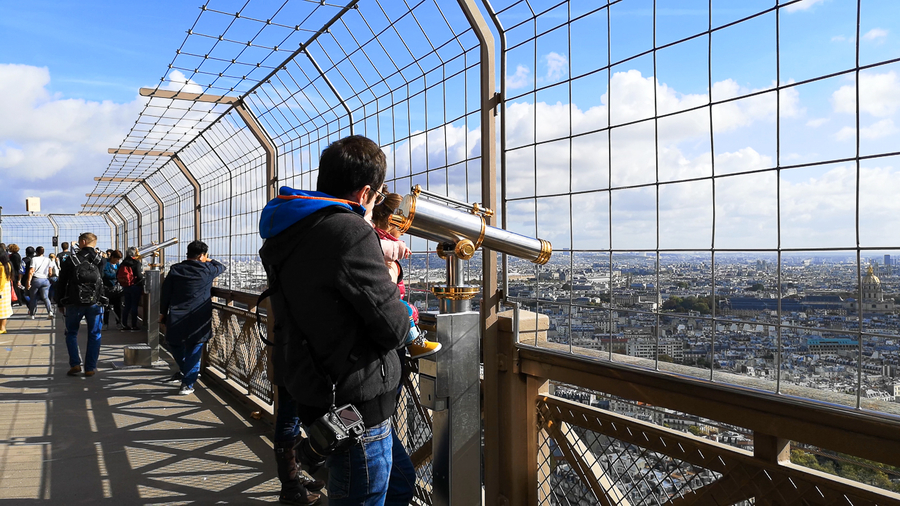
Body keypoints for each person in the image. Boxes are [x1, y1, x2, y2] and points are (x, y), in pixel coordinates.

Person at [259, 135, 415, 506]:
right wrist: (394, 284)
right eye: (376, 197)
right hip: (355, 400)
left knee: (398, 482)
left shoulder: (290, 228)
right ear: (365, 194)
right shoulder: (348, 230)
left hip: (319, 385)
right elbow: (393, 326)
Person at [370, 190, 441, 359]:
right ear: (392, 220)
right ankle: (415, 342)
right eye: (403, 224)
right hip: (390, 326)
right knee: (404, 309)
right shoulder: (386, 250)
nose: (405, 230)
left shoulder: (372, 240)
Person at [159, 240, 226, 396]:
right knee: (194, 348)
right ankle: (188, 383)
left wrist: (163, 313)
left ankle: (185, 371)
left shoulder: (175, 270)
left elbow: (166, 293)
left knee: (174, 344)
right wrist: (208, 259)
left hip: (177, 314)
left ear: (187, 253)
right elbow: (222, 266)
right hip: (199, 316)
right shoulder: (208, 269)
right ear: (202, 255)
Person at [55, 233, 106, 377]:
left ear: (83, 242)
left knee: (71, 333)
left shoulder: (71, 260)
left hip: (73, 302)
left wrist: (60, 301)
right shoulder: (100, 260)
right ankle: (90, 367)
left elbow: (62, 282)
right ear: (93, 243)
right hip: (95, 303)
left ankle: (75, 364)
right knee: (94, 334)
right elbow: (102, 282)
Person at [26, 246, 55, 319]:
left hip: (36, 279)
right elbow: (50, 272)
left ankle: (32, 314)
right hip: (45, 280)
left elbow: (31, 271)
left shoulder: (34, 259)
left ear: (36, 252)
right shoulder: (48, 259)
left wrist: (29, 281)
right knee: (45, 297)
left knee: (33, 298)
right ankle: (50, 312)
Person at [119, 247, 145, 331]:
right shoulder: (136, 263)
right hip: (135, 286)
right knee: (134, 306)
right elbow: (139, 275)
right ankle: (134, 325)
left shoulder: (123, 262)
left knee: (127, 306)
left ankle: (124, 324)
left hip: (126, 286)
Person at [100, 250, 124, 329]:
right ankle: (105, 323)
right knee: (106, 307)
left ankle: (118, 322)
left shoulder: (117, 265)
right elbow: (104, 274)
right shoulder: (106, 264)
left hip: (117, 289)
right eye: (116, 259)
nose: (117, 261)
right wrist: (116, 275)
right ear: (112, 257)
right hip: (107, 288)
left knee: (118, 306)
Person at [0, 249, 13, 334]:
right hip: (6, 289)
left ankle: (2, 328)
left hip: (1, 289)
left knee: (1, 310)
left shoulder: (1, 266)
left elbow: (1, 280)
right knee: (3, 310)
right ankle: (2, 328)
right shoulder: (8, 264)